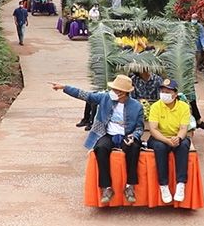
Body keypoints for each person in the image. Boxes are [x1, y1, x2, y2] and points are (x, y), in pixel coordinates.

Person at [50, 74, 144, 203]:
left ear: (123, 93)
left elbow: (139, 128)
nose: (113, 92)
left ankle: (130, 186)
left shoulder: (137, 106)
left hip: (126, 135)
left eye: (116, 90)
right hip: (107, 134)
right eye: (113, 89)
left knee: (134, 148)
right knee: (100, 148)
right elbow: (85, 95)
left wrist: (134, 136)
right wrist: (65, 87)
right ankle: (107, 187)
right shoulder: (105, 98)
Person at [147, 79, 191, 203]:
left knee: (184, 145)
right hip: (160, 138)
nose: (164, 94)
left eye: (168, 92)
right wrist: (166, 140)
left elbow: (183, 128)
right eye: (162, 91)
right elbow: (153, 129)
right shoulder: (156, 106)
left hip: (176, 137)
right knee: (160, 147)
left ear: (175, 94)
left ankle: (181, 184)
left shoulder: (183, 107)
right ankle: (164, 185)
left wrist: (178, 138)